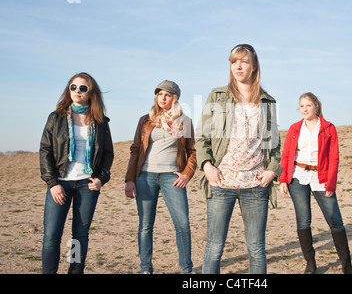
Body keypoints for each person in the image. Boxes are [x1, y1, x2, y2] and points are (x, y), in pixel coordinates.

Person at [195, 44, 283, 274]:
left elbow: (275, 144)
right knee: (214, 248)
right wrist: (207, 167)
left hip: (255, 185)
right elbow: (202, 135)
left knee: (256, 249)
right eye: (234, 61)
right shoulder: (218, 95)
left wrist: (272, 171)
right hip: (221, 182)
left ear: (254, 66)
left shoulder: (267, 101)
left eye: (244, 61)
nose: (238, 66)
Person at [39, 72, 114, 274]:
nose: (77, 91)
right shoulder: (56, 117)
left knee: (79, 235)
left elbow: (108, 154)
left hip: (86, 184)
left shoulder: (100, 121)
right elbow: (45, 150)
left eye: (82, 88)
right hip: (60, 183)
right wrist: (52, 183)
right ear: (68, 90)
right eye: (73, 87)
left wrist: (101, 179)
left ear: (91, 93)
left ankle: (74, 271)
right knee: (51, 236)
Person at [279, 92, 352, 274]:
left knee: (335, 221)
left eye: (308, 105)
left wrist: (331, 183)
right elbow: (287, 155)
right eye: (302, 106)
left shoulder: (328, 128)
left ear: (316, 107)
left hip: (321, 178)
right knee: (303, 221)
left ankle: (347, 266)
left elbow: (333, 157)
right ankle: (311, 264)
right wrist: (283, 179)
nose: (304, 109)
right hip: (297, 178)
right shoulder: (294, 129)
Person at [125, 80, 196, 274]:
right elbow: (135, 149)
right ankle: (146, 268)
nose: (162, 98)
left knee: (182, 224)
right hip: (145, 176)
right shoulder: (145, 120)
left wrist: (186, 175)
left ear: (175, 98)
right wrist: (130, 179)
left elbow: (192, 151)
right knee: (146, 225)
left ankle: (186, 269)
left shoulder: (185, 121)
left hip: (171, 177)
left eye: (167, 94)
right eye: (159, 94)